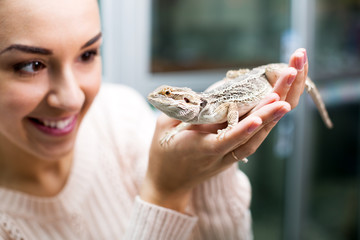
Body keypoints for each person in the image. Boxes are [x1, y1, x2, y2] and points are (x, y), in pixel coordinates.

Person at [0, 0, 309, 239]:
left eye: (88, 54)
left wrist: (212, 166)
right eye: (31, 65)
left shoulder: (122, 111)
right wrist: (166, 191)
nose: (72, 99)